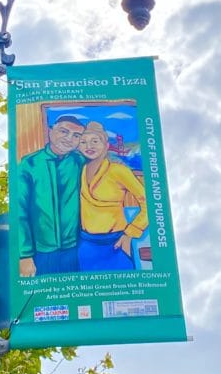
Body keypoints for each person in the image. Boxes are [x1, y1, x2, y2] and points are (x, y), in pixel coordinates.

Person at [15, 114, 86, 277]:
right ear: (50, 130)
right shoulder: (29, 164)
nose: (69, 139)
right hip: (39, 252)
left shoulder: (80, 162)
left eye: (76, 136)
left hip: (75, 249)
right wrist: (24, 255)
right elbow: (20, 211)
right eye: (64, 131)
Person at [76, 121, 148, 272]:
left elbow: (148, 204)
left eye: (95, 141)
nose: (89, 146)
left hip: (116, 242)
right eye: (83, 142)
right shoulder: (80, 170)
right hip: (86, 243)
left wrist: (131, 233)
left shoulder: (118, 170)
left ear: (106, 144)